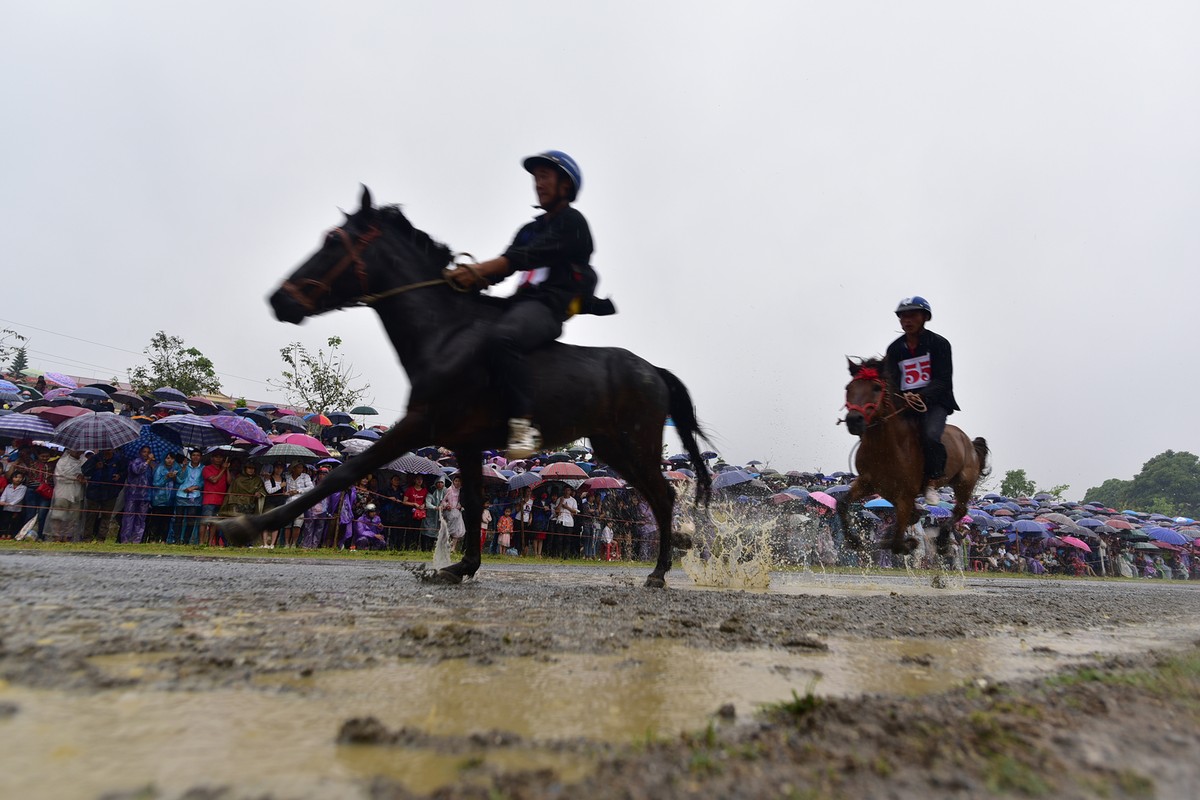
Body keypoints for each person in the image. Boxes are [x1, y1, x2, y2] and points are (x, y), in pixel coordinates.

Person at [444, 151, 613, 457]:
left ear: (566, 186)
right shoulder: (528, 229)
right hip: (517, 303)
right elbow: (504, 269)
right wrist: (460, 280)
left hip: (546, 308)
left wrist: (478, 270)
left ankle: (523, 426)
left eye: (545, 176)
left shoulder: (573, 223)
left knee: (502, 337)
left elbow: (520, 259)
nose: (538, 183)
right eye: (536, 177)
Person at [883, 296, 959, 506]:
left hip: (934, 402)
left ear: (925, 317)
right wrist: (901, 394)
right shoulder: (895, 349)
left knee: (930, 435)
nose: (907, 320)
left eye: (912, 315)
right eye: (903, 316)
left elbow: (943, 379)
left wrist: (921, 395)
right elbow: (891, 380)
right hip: (903, 402)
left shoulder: (940, 344)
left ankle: (932, 482)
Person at [118, 446, 154, 543]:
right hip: (133, 494)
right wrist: (147, 462)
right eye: (144, 452)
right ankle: (125, 539)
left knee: (141, 518)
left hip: (145, 495)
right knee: (128, 517)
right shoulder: (134, 462)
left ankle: (136, 540)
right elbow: (137, 470)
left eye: (148, 452)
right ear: (140, 452)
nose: (146, 454)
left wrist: (153, 467)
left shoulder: (151, 465)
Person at [147, 452, 180, 543]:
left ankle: (163, 539)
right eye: (168, 458)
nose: (170, 461)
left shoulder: (176, 468)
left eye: (172, 458)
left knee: (167, 520)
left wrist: (175, 478)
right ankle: (152, 539)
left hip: (170, 499)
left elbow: (180, 481)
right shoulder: (159, 468)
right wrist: (166, 477)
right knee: (156, 520)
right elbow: (156, 484)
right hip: (159, 499)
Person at [174, 450, 205, 545]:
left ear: (201, 457)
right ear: (190, 456)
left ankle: (186, 540)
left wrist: (195, 487)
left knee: (191, 519)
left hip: (195, 496)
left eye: (198, 455)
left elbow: (203, 482)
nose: (195, 457)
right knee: (179, 518)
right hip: (182, 494)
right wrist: (183, 468)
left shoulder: (203, 468)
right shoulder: (184, 466)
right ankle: (177, 540)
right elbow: (179, 480)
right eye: (193, 455)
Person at [199, 451, 230, 546]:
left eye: (220, 457)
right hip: (209, 499)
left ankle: (210, 542)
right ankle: (201, 542)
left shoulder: (223, 469)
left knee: (214, 523)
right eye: (216, 457)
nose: (218, 459)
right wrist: (222, 470)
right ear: (212, 458)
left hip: (221, 499)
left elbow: (229, 482)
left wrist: (226, 469)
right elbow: (214, 480)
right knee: (205, 521)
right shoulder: (206, 469)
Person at [1, 470, 27, 538]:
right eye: (16, 477)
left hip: (16, 509)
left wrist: (11, 504)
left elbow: (20, 498)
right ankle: (3, 534)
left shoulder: (23, 488)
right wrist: (2, 501)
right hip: (6, 507)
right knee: (5, 521)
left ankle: (10, 535)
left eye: (20, 477)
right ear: (12, 478)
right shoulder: (8, 486)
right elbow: (4, 495)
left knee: (14, 522)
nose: (18, 479)